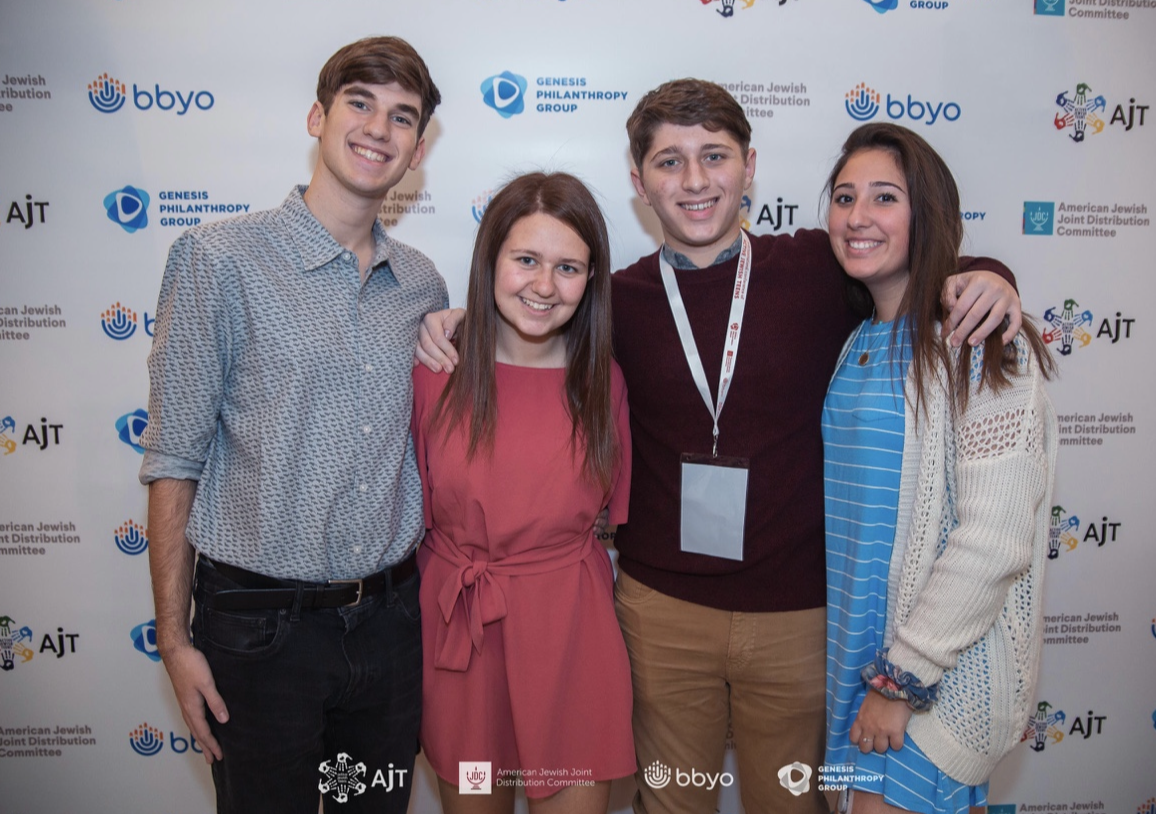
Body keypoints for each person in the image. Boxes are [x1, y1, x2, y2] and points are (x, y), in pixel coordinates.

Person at [416, 79, 1022, 814]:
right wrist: (455, 321)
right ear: (639, 182)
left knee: (788, 808)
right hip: (659, 612)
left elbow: (914, 270)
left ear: (749, 166)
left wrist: (990, 277)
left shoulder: (819, 267)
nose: (695, 180)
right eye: (669, 162)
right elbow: (527, 322)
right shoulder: (613, 304)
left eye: (714, 155)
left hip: (799, 616)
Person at [139, 36, 446, 814]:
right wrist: (173, 640)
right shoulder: (218, 259)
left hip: (389, 626)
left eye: (402, 116)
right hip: (259, 634)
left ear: (417, 150)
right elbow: (173, 457)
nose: (378, 128)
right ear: (317, 116)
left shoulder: (421, 284)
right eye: (359, 103)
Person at [820, 122, 1056, 814]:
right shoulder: (857, 342)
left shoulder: (979, 343)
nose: (858, 216)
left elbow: (995, 539)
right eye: (844, 197)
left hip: (927, 693)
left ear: (927, 214)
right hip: (852, 671)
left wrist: (903, 680)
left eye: (884, 197)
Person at [411, 172, 634, 814]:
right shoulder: (434, 372)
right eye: (526, 260)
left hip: (571, 643)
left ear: (591, 279)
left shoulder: (605, 382)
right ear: (490, 261)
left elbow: (613, 513)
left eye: (568, 267)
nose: (544, 286)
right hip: (460, 644)